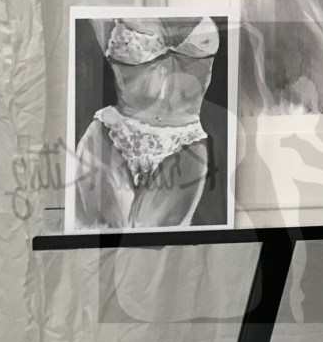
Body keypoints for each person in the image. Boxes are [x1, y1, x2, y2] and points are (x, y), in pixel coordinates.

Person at [73, 16, 218, 229]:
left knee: (158, 245)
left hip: (186, 143)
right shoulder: (110, 9)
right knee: (96, 238)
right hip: (114, 133)